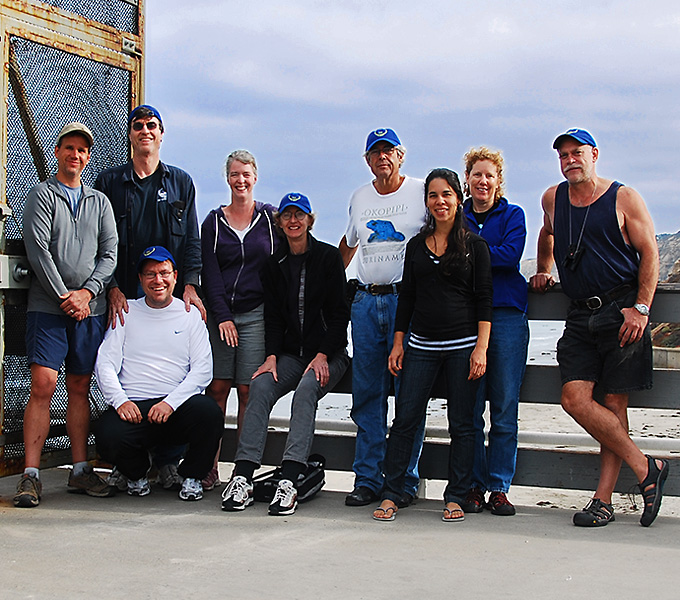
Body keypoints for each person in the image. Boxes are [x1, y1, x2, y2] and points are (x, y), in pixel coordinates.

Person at [530, 128, 669, 527]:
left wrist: (641, 308)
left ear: (594, 154)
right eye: (563, 155)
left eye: (577, 153)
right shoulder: (552, 198)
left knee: (613, 406)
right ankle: (647, 468)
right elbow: (547, 232)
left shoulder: (623, 197)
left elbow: (650, 253)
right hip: (578, 315)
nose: (570, 160)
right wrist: (543, 269)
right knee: (574, 399)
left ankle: (602, 500)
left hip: (619, 311)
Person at [373, 168, 492, 522]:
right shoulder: (416, 247)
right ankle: (392, 492)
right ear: (426, 202)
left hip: (463, 345)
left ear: (458, 197)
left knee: (463, 423)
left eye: (446, 195)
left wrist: (481, 349)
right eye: (433, 196)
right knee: (406, 418)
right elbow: (407, 298)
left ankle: (455, 495)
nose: (440, 202)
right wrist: (398, 344)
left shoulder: (475, 246)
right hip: (420, 345)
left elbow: (484, 299)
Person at [95, 104, 204, 490]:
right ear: (130, 134)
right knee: (127, 367)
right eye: (138, 126)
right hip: (125, 298)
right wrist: (110, 288)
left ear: (161, 134)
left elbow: (192, 238)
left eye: (152, 126)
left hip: (169, 295)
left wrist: (190, 283)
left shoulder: (181, 183)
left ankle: (169, 461)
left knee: (174, 370)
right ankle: (132, 462)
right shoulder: (109, 183)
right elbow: (101, 242)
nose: (145, 131)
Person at [221, 193, 350, 516]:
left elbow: (339, 315)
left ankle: (290, 478)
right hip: (292, 355)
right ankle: (243, 476)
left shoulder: (328, 257)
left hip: (330, 355)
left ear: (310, 220)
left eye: (300, 215)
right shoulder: (273, 265)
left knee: (306, 390)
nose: (294, 221)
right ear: (279, 223)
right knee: (261, 386)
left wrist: (322, 354)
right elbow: (274, 317)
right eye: (288, 216)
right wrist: (271, 356)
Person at [14, 122, 118, 508]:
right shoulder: (41, 194)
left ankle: (78, 469)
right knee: (43, 384)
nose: (75, 155)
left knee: (80, 385)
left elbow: (110, 254)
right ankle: (31, 474)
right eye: (69, 148)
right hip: (49, 307)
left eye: (82, 150)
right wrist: (64, 295)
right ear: (58, 152)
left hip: (90, 310)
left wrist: (87, 293)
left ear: (88, 157)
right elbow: (38, 249)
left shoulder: (99, 202)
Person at [339, 128, 427, 507]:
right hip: (365, 301)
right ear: (367, 160)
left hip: (406, 303)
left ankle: (404, 480)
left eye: (389, 151)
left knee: (409, 395)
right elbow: (348, 244)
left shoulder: (422, 191)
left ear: (401, 155)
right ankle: (367, 478)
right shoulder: (360, 197)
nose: (382, 158)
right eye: (375, 153)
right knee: (368, 395)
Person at [93, 247, 223, 501]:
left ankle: (192, 477)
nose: (158, 280)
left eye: (164, 273)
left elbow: (202, 370)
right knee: (108, 434)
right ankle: (136, 474)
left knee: (209, 414)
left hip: (176, 407)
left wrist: (170, 403)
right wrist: (121, 401)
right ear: (140, 279)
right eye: (150, 274)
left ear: (175, 276)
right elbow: (105, 363)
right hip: (135, 408)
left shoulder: (190, 315)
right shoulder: (126, 311)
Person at [200, 150, 278, 490]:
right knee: (217, 389)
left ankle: (242, 472)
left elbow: (281, 267)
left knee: (248, 390)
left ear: (255, 176)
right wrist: (222, 317)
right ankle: (209, 466)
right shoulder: (213, 223)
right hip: (221, 317)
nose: (240, 180)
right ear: (227, 178)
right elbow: (210, 274)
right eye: (234, 174)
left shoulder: (271, 219)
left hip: (257, 314)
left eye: (246, 173)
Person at [461, 147, 529, 516]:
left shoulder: (513, 214)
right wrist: (482, 254)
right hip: (466, 320)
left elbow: (511, 256)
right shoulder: (457, 216)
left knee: (504, 406)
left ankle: (499, 487)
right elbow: (455, 261)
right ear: (467, 180)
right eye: (476, 175)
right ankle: (473, 485)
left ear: (498, 180)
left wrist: (469, 253)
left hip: (505, 317)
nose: (482, 181)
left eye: (489, 175)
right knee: (469, 408)